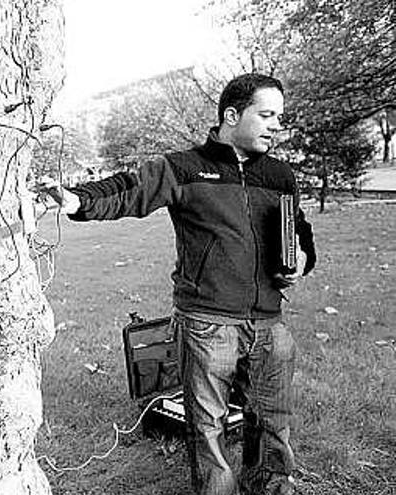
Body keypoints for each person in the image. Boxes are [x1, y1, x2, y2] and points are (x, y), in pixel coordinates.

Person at [38, 73, 316, 495]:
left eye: (279, 115)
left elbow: (300, 231)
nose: (276, 124)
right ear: (231, 115)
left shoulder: (279, 176)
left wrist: (303, 260)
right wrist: (79, 200)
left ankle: (270, 488)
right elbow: (130, 188)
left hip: (270, 325)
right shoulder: (185, 168)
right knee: (208, 428)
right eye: (266, 114)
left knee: (272, 422)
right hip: (207, 323)